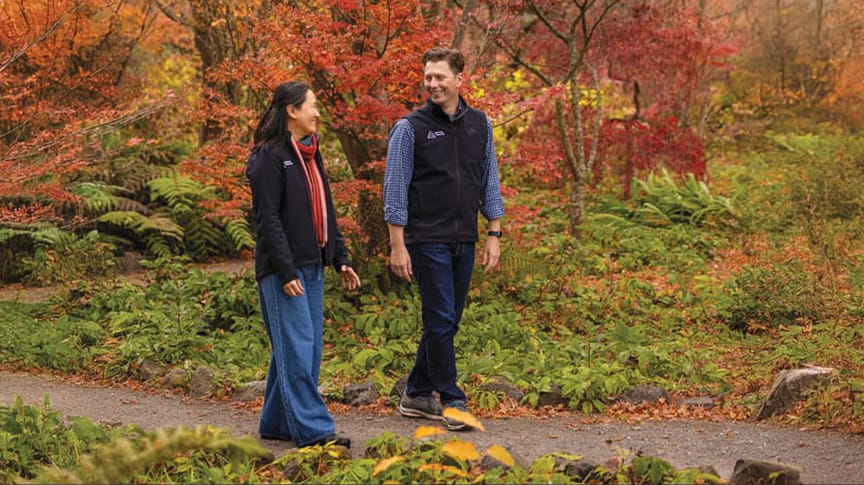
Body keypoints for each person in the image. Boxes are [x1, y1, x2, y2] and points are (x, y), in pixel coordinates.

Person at [383, 47, 505, 431]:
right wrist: (397, 244)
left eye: (440, 77)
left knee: (448, 321)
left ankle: (417, 392)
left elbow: (490, 181)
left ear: (459, 80)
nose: (432, 83)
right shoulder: (409, 128)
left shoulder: (480, 125)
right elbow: (395, 188)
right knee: (438, 319)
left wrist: (494, 233)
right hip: (425, 238)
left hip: (464, 238)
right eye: (428, 77)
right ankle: (453, 401)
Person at [246, 81, 360, 448]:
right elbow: (267, 221)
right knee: (297, 346)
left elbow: (325, 207)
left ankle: (277, 421)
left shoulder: (311, 153)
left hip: (313, 264)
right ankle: (316, 430)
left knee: (302, 349)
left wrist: (340, 257)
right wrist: (284, 270)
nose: (317, 111)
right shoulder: (267, 156)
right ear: (291, 111)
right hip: (285, 270)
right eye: (312, 105)